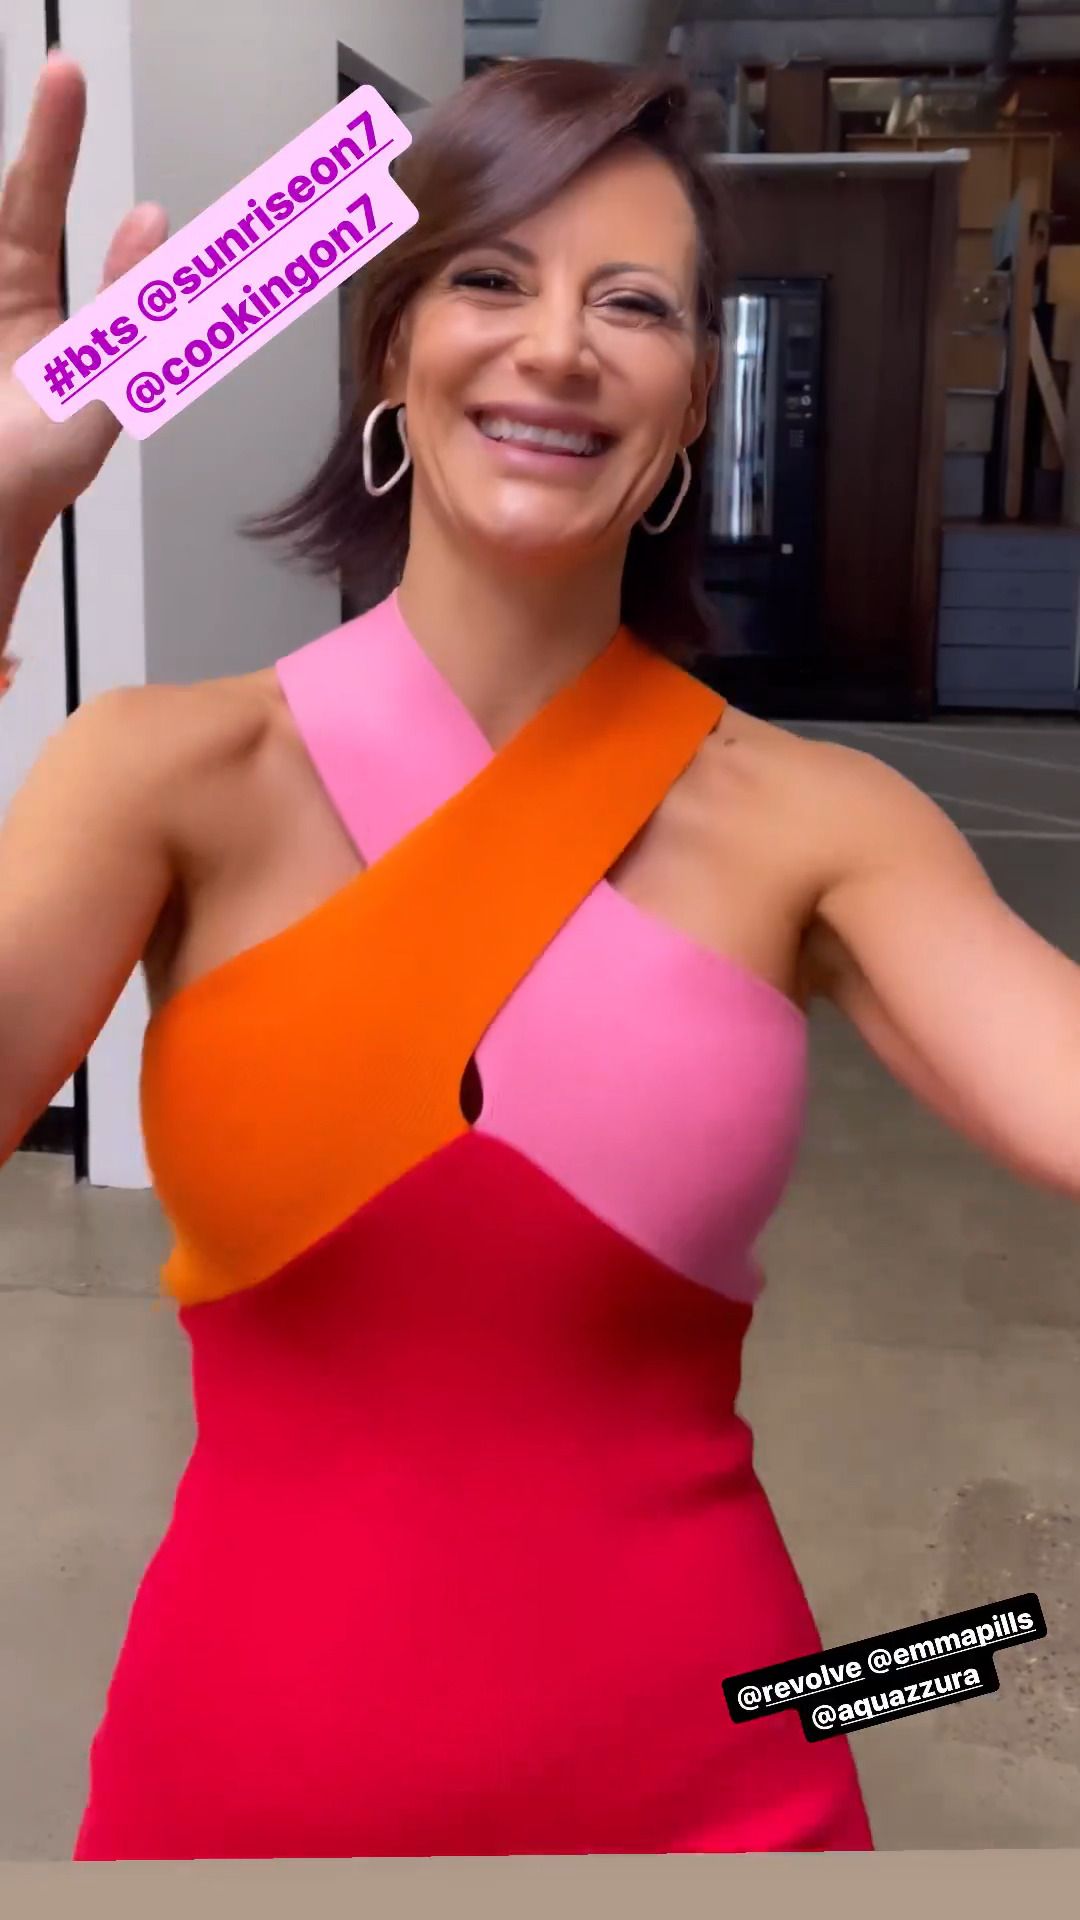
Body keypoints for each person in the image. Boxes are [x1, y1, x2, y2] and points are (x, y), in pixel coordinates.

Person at [1, 48, 1078, 1864]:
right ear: (391, 349)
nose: (560, 344)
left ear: (691, 400)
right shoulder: (166, 774)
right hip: (240, 1795)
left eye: (634, 304)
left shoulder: (821, 823)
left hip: (727, 1800)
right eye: (492, 276)